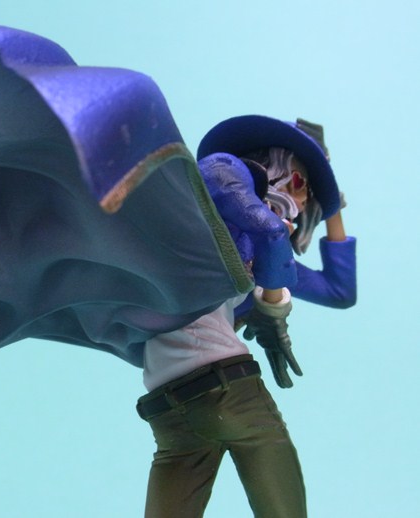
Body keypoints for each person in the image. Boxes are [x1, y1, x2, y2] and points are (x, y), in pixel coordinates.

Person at [137, 115, 355, 517]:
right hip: (227, 388)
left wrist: (333, 205)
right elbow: (271, 232)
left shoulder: (261, 256)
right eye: (302, 185)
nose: (303, 204)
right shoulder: (223, 168)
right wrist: (273, 308)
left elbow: (339, 291)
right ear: (279, 168)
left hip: (170, 402)